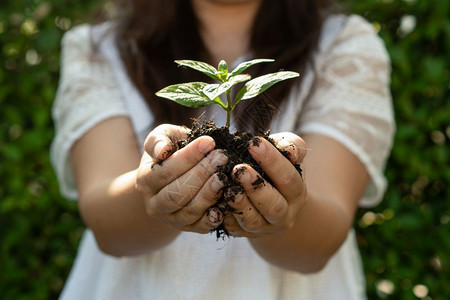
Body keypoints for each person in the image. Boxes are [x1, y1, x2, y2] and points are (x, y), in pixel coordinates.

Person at [51, 0, 395, 299]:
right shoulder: (99, 47)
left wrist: (282, 197)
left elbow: (322, 239)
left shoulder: (343, 45)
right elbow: (106, 222)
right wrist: (153, 188)